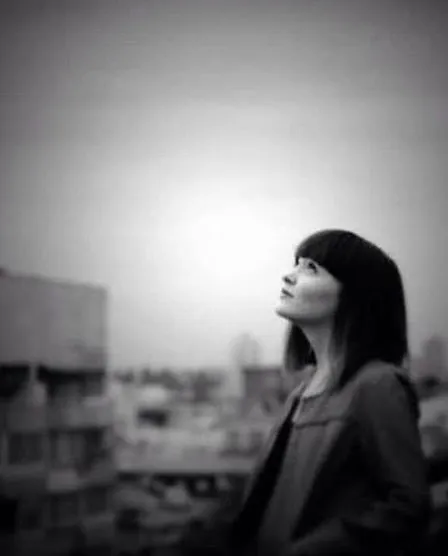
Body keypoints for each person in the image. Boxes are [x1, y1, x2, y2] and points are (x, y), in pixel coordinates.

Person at [226, 229, 432, 556]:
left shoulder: (377, 384)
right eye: (296, 264)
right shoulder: (299, 395)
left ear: (355, 295)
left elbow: (407, 506)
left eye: (310, 268)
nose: (289, 276)